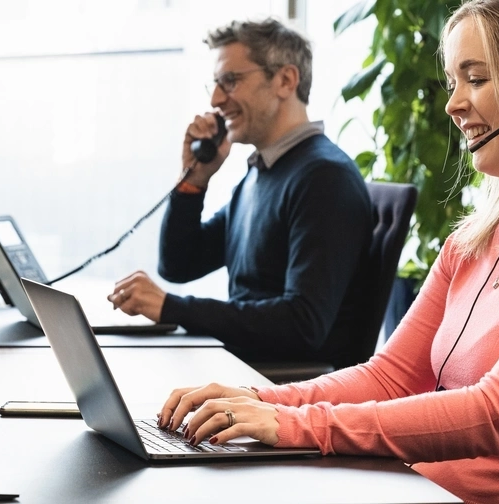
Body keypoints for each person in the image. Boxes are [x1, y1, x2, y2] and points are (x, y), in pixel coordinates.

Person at [154, 1, 499, 502]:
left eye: (477, 78)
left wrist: (293, 423)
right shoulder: (476, 239)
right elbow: (391, 376)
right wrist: (256, 401)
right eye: (452, 82)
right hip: (419, 486)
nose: (453, 104)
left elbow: (495, 415)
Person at [108, 18, 373, 368]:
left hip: (284, 391)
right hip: (248, 368)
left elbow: (302, 324)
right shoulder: (262, 174)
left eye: (231, 81)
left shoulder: (324, 178)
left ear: (285, 80)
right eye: (216, 84)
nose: (217, 100)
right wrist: (193, 181)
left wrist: (172, 307)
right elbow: (179, 264)